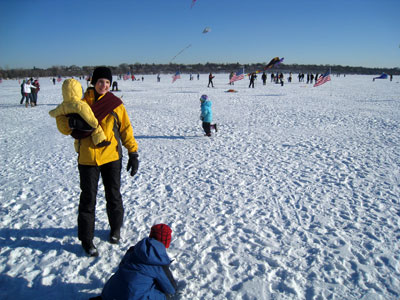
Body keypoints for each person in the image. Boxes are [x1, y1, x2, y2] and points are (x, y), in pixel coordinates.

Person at [54, 67, 139, 257]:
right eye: (101, 82)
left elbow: (126, 129)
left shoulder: (116, 105)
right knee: (88, 199)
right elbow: (63, 124)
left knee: (113, 195)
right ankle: (86, 239)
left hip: (111, 157)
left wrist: (133, 152)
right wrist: (70, 124)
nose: (104, 86)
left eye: (108, 83)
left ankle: (115, 229)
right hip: (87, 158)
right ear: (94, 82)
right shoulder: (80, 102)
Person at [92, 224, 178, 300]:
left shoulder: (134, 250)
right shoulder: (159, 262)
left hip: (110, 292)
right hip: (131, 297)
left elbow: (122, 265)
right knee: (164, 295)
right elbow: (171, 289)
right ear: (166, 242)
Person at [49, 78, 111, 148]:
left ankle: (77, 147)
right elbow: (88, 116)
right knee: (96, 127)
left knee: (77, 137)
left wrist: (52, 113)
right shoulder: (80, 104)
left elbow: (55, 112)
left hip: (73, 131)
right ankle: (100, 141)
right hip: (85, 127)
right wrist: (94, 123)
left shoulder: (62, 106)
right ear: (78, 91)